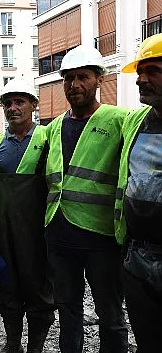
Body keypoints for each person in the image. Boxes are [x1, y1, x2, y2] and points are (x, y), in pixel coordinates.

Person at [43, 45, 128, 353]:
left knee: (110, 312)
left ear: (98, 81)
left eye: (82, 77)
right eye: (68, 78)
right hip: (60, 235)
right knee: (68, 311)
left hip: (101, 236)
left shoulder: (120, 120)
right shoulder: (54, 127)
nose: (74, 85)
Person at [0, 79, 54, 353]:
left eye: (20, 102)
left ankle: (36, 347)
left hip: (37, 230)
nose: (13, 108)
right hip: (4, 232)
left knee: (38, 286)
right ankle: (13, 343)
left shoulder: (48, 138)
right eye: (8, 103)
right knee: (6, 285)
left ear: (33, 105)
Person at [115, 33, 162, 353]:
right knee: (147, 342)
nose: (140, 79)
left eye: (152, 71)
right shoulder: (135, 122)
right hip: (138, 258)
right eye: (139, 72)